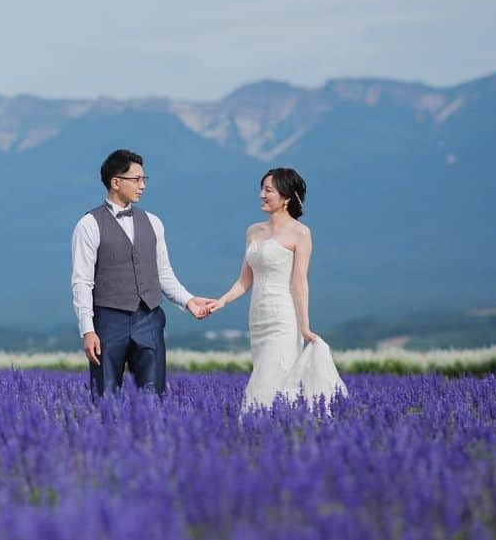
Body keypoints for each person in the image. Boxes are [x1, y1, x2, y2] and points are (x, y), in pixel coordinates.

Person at [71, 149, 213, 397]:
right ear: (116, 182)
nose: (143, 186)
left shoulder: (154, 222)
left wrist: (188, 300)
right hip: (107, 321)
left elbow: (164, 273)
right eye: (136, 179)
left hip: (149, 320)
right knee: (104, 398)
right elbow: (82, 281)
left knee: (154, 398)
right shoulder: (89, 224)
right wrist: (88, 330)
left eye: (144, 179)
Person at [206, 168, 347, 411]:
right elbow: (244, 280)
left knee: (274, 377)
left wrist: (304, 326)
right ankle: (275, 428)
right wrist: (222, 301)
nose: (262, 195)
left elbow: (299, 282)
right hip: (258, 316)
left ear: (286, 197)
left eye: (268, 190)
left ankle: (268, 426)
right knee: (263, 370)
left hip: (284, 317)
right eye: (262, 189)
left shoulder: (301, 233)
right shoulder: (253, 231)